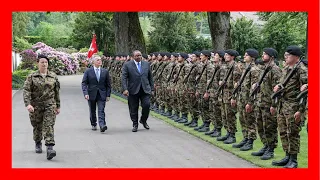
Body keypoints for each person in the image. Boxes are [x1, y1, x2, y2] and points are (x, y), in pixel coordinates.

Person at [272, 46, 308, 168]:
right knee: (282, 131)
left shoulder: (302, 70)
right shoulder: (286, 68)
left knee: (292, 132)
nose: (285, 57)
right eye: (285, 54)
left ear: (296, 57)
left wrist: (300, 111)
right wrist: (278, 86)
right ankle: (287, 155)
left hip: (293, 106)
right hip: (283, 104)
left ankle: (294, 159)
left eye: (288, 55)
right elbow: (283, 83)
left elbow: (305, 92)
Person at [23, 54, 60, 160]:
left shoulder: (53, 76)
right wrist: (28, 104)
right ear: (37, 63)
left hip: (49, 104)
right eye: (42, 62)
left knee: (48, 125)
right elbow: (26, 91)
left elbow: (56, 92)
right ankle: (38, 142)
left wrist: (58, 106)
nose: (44, 64)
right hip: (36, 106)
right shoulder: (32, 76)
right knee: (37, 126)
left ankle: (50, 148)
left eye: (46, 62)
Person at [121, 50, 154, 132]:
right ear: (133, 57)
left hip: (145, 89)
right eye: (137, 55)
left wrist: (152, 88)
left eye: (140, 55)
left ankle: (143, 120)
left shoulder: (146, 64)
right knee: (133, 108)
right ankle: (135, 124)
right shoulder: (127, 65)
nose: (139, 57)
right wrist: (125, 89)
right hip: (133, 90)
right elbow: (124, 78)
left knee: (147, 105)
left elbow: (150, 77)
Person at [81, 55, 111, 132]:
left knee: (101, 110)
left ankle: (102, 125)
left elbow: (108, 84)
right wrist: (86, 93)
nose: (99, 61)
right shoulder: (88, 71)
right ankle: (94, 123)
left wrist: (108, 95)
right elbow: (84, 83)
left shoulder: (105, 71)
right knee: (92, 110)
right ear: (93, 62)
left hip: (102, 94)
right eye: (97, 60)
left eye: (100, 60)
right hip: (91, 94)